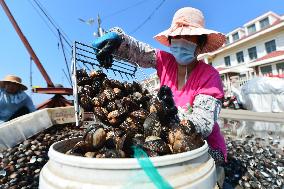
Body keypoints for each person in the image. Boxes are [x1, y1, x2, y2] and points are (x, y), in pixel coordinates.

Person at [93, 7, 227, 165]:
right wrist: (117, 40)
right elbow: (139, 51)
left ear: (200, 42)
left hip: (208, 148)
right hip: (170, 142)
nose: (181, 39)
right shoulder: (165, 62)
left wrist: (171, 114)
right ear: (170, 40)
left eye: (189, 36)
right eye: (176, 35)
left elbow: (203, 124)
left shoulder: (209, 75)